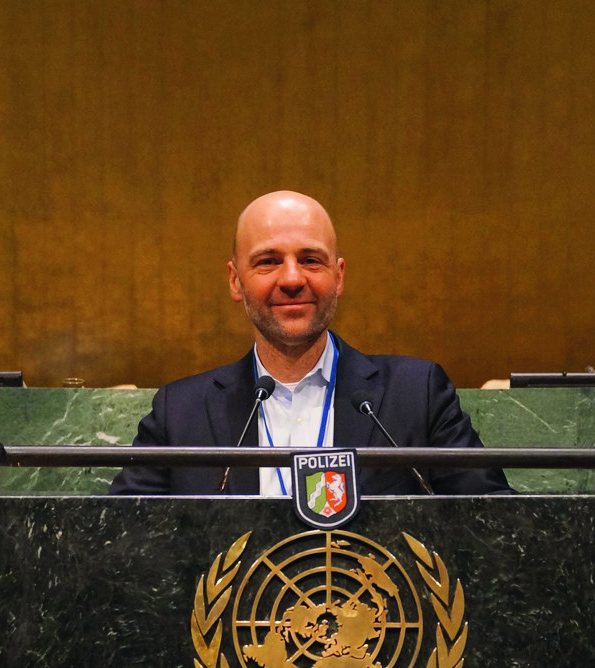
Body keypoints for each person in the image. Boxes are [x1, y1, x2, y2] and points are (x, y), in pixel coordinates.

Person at [109, 191, 510, 496]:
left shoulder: (416, 394)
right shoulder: (180, 412)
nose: (291, 279)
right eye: (267, 261)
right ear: (235, 281)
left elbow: (497, 525)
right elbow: (111, 536)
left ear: (338, 277)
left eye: (311, 260)